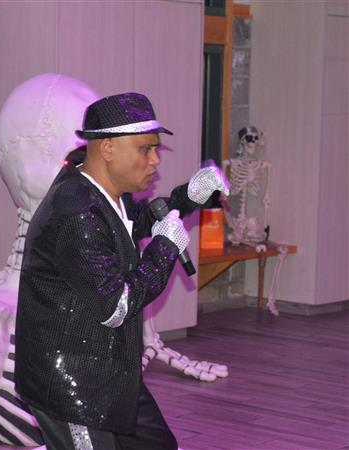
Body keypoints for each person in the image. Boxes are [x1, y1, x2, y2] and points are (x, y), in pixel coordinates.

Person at [14, 92, 229, 450]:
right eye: (146, 149)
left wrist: (188, 196)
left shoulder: (101, 189)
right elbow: (118, 305)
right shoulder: (77, 212)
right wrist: (165, 248)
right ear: (108, 148)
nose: (155, 160)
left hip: (110, 369)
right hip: (72, 381)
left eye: (155, 149)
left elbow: (134, 221)